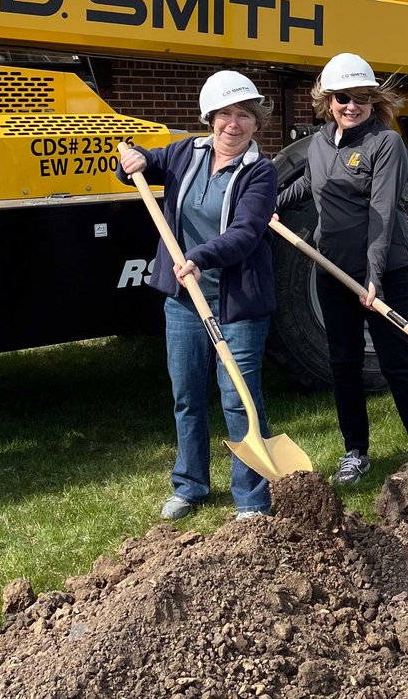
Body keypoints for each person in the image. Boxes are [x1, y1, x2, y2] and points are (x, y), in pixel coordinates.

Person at [117, 70, 278, 521]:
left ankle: (251, 499)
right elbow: (146, 162)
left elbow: (246, 233)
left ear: (255, 121)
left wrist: (199, 258)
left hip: (238, 303)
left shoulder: (260, 171)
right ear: (210, 117)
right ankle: (190, 485)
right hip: (183, 301)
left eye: (244, 114)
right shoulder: (187, 151)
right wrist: (132, 160)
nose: (234, 123)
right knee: (187, 394)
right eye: (225, 113)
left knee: (239, 397)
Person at [275, 52, 408, 485]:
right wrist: (271, 206)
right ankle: (355, 452)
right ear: (328, 100)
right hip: (333, 270)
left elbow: (382, 211)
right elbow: (311, 182)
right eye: (343, 97)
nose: (352, 106)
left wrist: (374, 275)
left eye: (362, 98)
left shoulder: (386, 144)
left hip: (385, 272)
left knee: (396, 362)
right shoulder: (320, 143)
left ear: (373, 100)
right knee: (343, 363)